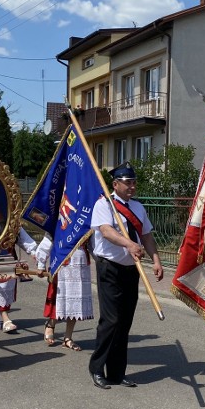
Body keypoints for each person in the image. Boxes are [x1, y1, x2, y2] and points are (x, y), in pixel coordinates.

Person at [88, 162, 163, 390]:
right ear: (115, 184)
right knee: (111, 321)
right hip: (110, 268)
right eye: (127, 183)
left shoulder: (138, 208)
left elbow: (147, 235)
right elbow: (106, 231)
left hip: (132, 270)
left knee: (124, 323)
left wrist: (156, 259)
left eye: (134, 183)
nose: (132, 187)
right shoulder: (104, 205)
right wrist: (129, 244)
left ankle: (117, 373)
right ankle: (97, 368)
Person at [36, 234, 93, 351]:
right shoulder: (61, 217)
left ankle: (68, 338)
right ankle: (51, 324)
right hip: (62, 262)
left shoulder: (86, 216)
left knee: (76, 301)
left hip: (80, 264)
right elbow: (48, 240)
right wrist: (41, 264)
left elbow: (94, 244)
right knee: (60, 299)